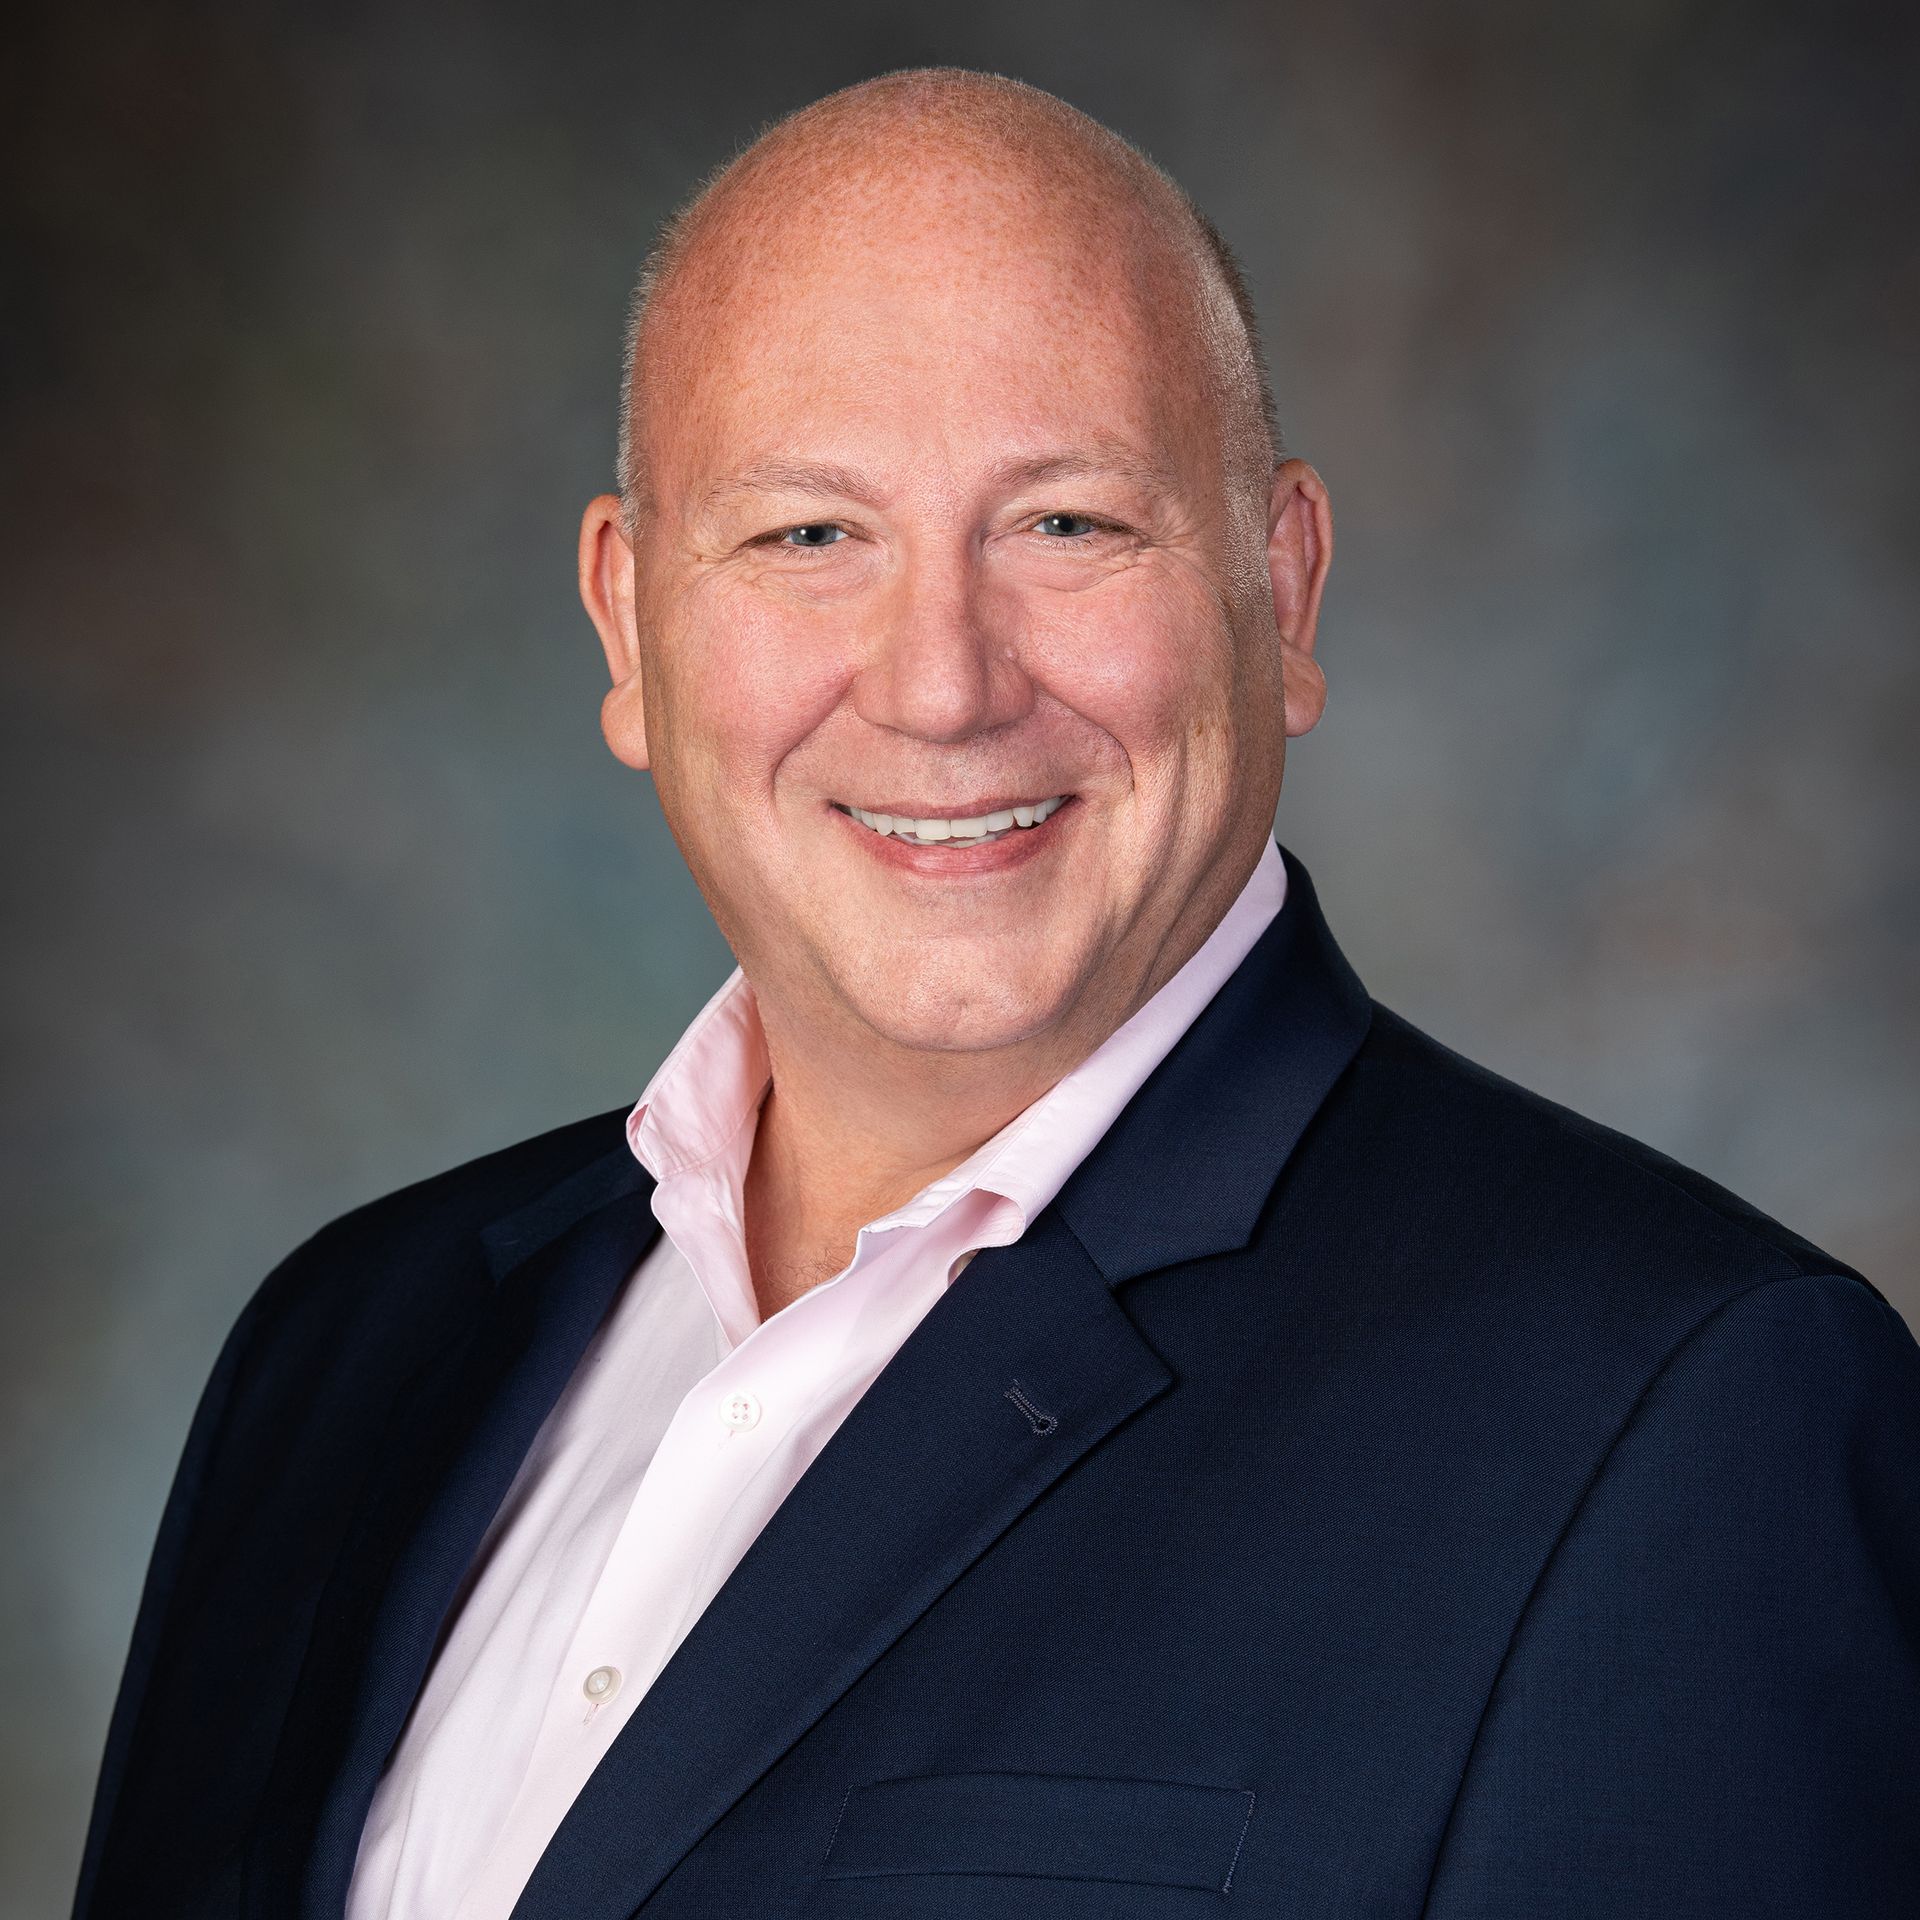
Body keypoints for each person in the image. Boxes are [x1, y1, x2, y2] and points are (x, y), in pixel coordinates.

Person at [73, 67, 1919, 1920]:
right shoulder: (347, 1351)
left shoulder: (1683, 1420)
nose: (941, 687)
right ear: (629, 623)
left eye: (1068, 525)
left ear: (1281, 590)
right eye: (809, 535)